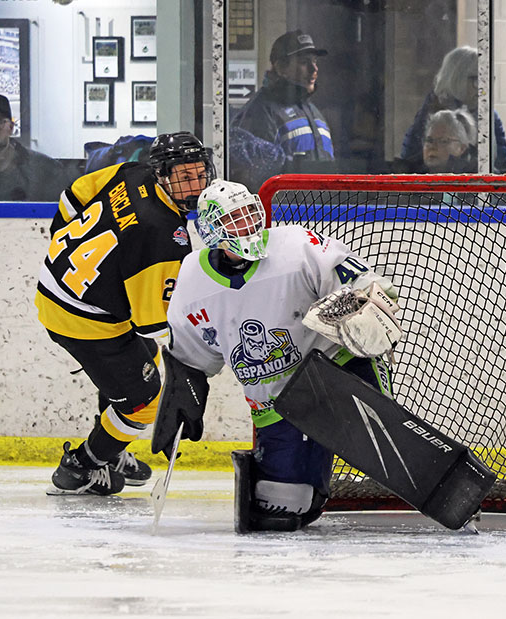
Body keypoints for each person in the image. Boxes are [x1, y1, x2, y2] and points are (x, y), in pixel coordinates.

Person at [158, 180, 400, 531]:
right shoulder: (192, 279)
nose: (247, 225)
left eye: (249, 214)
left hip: (336, 370)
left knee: (388, 451)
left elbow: (370, 286)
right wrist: (183, 391)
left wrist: (365, 305)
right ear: (211, 232)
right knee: (284, 506)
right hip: (276, 401)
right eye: (234, 220)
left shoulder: (298, 246)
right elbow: (191, 356)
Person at [36, 132, 215, 495]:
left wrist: (61, 241)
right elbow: (154, 325)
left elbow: (75, 194)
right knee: (144, 402)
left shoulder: (132, 172)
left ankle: (112, 449)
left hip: (58, 286)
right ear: (162, 173)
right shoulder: (164, 236)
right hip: (84, 319)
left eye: (199, 174)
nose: (195, 186)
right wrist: (193, 366)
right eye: (184, 177)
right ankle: (81, 466)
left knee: (140, 362)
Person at [230, 30, 334, 191]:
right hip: (283, 206)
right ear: (280, 68)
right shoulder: (262, 111)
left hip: (321, 205)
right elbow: (252, 175)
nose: (314, 69)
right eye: (304, 62)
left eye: (315, 61)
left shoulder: (313, 111)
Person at [400, 45, 506, 171]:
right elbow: (412, 163)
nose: (483, 89)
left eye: (487, 81)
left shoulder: (489, 115)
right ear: (457, 78)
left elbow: (502, 164)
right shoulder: (432, 114)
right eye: (477, 81)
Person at [393, 108, 477, 174]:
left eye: (443, 141)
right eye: (429, 140)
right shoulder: (410, 173)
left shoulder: (475, 174)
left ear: (462, 148)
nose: (433, 146)